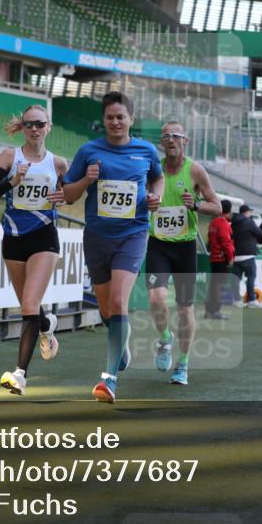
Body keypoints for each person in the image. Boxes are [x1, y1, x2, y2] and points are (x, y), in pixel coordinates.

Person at [63, 91, 163, 403]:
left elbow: (157, 179)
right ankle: (122, 344)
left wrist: (155, 197)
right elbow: (67, 194)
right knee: (107, 310)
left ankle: (109, 380)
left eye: (121, 117)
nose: (116, 122)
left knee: (119, 301)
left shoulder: (146, 150)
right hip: (97, 237)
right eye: (110, 117)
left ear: (131, 119)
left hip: (133, 235)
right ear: (103, 120)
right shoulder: (88, 151)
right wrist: (86, 180)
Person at [0, 104, 68, 395]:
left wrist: (63, 196)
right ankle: (46, 324)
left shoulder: (58, 164)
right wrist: (12, 181)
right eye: (29, 124)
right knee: (30, 307)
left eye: (39, 124)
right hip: (14, 238)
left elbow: (68, 195)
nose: (34, 129)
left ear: (48, 127)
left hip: (44, 237)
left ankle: (20, 375)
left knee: (29, 304)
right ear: (23, 127)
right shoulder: (10, 156)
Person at [146, 121, 222, 386]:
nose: (171, 140)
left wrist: (197, 205)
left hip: (185, 247)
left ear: (185, 141)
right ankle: (165, 339)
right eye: (166, 136)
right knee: (156, 298)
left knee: (185, 308)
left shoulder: (195, 170)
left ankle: (183, 363)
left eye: (176, 135)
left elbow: (217, 206)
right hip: (158, 243)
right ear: (161, 142)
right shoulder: (153, 169)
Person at [205, 199, 235, 320]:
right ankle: (215, 311)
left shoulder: (213, 222)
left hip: (214, 258)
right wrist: (230, 258)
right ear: (229, 211)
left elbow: (210, 240)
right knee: (219, 287)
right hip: (221, 259)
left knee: (214, 285)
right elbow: (226, 242)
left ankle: (209, 310)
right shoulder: (223, 223)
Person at [230, 203, 262, 308]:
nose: (250, 213)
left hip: (236, 256)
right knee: (251, 277)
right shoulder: (249, 221)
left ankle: (235, 300)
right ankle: (251, 300)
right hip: (248, 255)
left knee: (236, 279)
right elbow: (260, 233)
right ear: (246, 212)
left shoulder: (233, 223)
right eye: (249, 212)